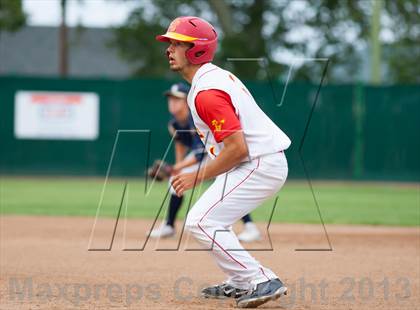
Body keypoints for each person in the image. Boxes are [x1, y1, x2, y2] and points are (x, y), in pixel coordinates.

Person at [156, 16, 291, 308]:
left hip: (258, 163)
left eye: (177, 44)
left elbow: (237, 148)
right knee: (213, 220)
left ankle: (260, 279)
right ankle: (242, 281)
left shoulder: (207, 92)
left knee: (200, 221)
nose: (169, 49)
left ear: (196, 50)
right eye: (170, 44)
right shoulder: (211, 78)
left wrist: (196, 176)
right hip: (255, 162)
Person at [150, 82, 262, 243]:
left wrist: (175, 168)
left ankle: (251, 228)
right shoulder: (173, 123)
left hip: (220, 152)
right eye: (170, 99)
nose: (172, 102)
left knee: (228, 186)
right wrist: (177, 167)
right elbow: (180, 144)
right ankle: (169, 226)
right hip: (205, 154)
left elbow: (199, 155)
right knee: (175, 182)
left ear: (187, 102)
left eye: (177, 99)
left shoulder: (194, 119)